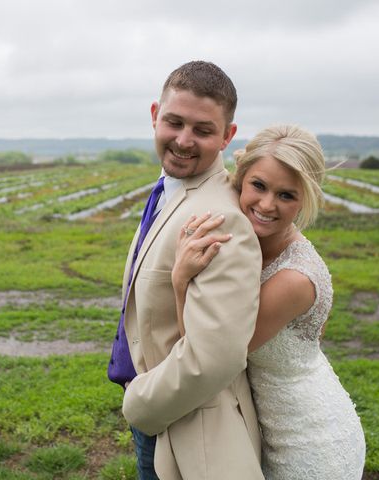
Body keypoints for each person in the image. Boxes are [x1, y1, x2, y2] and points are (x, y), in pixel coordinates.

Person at [172, 124, 366, 480]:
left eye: (286, 195)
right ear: (241, 180)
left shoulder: (294, 278)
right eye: (259, 186)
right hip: (265, 430)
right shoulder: (247, 242)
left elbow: (210, 356)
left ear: (304, 199)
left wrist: (180, 281)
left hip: (309, 444)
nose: (266, 205)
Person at [108, 61, 265, 479]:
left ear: (228, 137)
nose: (183, 140)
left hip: (182, 425)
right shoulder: (173, 189)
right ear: (155, 114)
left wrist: (140, 405)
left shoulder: (219, 219)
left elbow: (215, 357)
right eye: (174, 122)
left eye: (202, 130)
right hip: (162, 414)